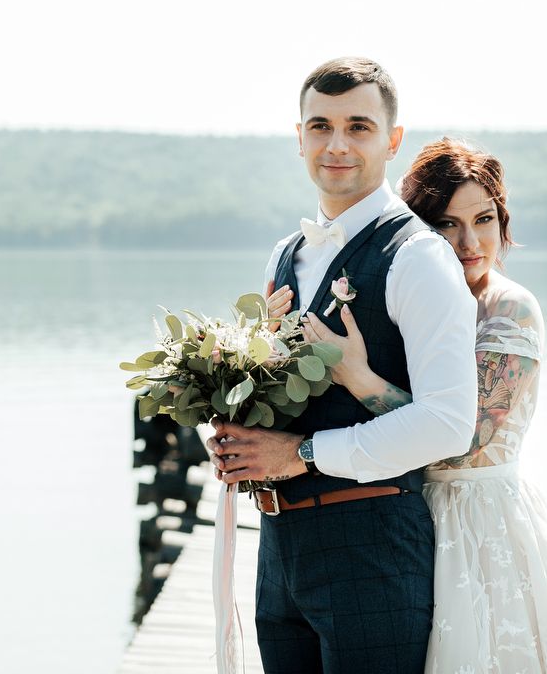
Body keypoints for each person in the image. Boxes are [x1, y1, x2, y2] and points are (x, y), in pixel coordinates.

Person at [291, 138, 547, 673]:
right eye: (446, 225)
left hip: (480, 521)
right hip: (403, 515)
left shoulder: (509, 309)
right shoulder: (415, 297)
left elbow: (465, 443)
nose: (470, 242)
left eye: (484, 220)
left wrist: (358, 377)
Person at [208, 58, 479, 674]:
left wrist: (300, 455)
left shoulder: (418, 257)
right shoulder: (286, 254)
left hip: (373, 549)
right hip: (280, 552)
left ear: (392, 140)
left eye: (358, 126)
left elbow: (447, 423)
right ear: (298, 137)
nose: (336, 145)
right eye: (320, 126)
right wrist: (235, 424)